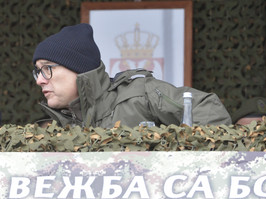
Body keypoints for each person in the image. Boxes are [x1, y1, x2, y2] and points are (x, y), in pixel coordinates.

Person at [32, 23, 232, 128]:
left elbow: (211, 113)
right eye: (38, 72)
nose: (40, 80)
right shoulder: (57, 126)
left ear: (79, 70)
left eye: (47, 68)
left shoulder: (141, 95)